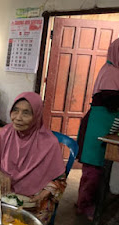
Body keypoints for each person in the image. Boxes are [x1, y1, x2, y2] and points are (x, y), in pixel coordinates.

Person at [0, 92, 66, 224]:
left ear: (36, 116)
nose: (18, 118)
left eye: (26, 113)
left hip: (32, 201)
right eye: (15, 111)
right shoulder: (5, 133)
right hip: (4, 192)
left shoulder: (49, 143)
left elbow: (60, 181)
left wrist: (44, 194)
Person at [76, 38, 119, 221]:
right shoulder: (111, 72)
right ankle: (83, 205)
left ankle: (87, 202)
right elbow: (112, 101)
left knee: (101, 171)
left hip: (105, 127)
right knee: (92, 172)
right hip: (97, 128)